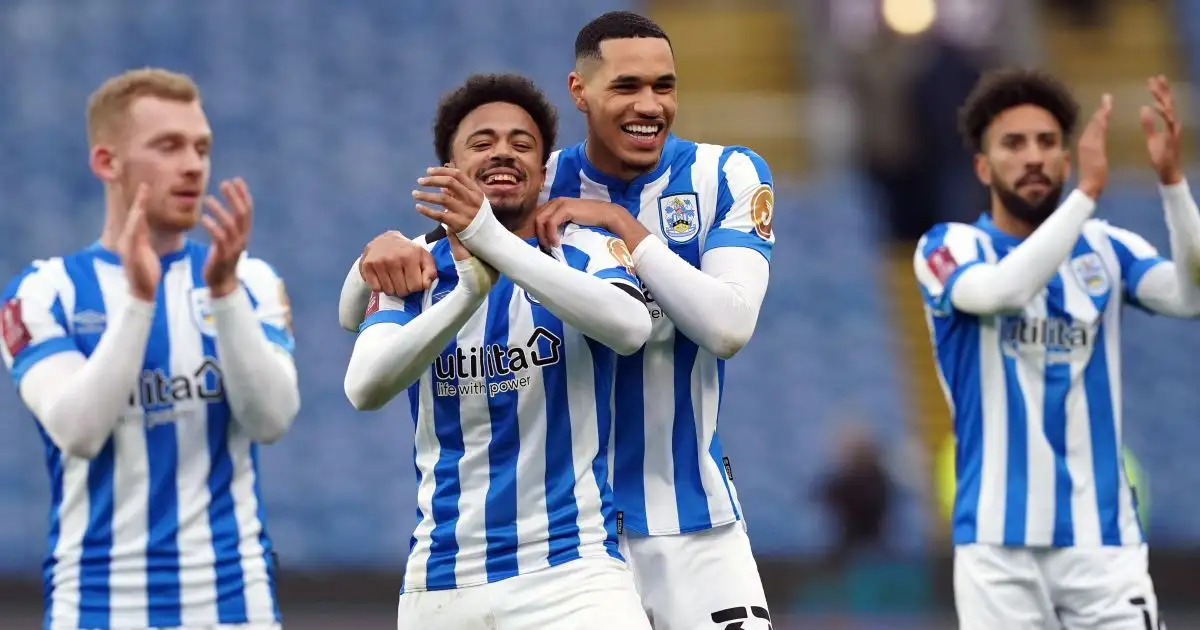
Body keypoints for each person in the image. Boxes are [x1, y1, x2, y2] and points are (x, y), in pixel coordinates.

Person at [338, 12, 776, 630]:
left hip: (687, 514)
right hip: (569, 542)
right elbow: (428, 257)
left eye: (664, 86)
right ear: (581, 93)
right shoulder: (539, 171)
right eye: (626, 87)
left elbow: (729, 329)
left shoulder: (724, 174)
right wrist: (372, 257)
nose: (648, 105)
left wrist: (627, 228)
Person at [342, 73, 653, 629]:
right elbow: (364, 388)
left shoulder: (581, 248)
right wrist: (466, 294)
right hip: (443, 581)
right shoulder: (412, 268)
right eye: (481, 143)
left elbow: (630, 327)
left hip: (574, 576)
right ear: (449, 170)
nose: (503, 151)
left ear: (542, 168)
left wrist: (492, 242)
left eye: (522, 142)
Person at [0, 68, 299, 630]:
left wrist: (226, 295)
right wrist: (139, 302)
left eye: (202, 147)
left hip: (235, 607)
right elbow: (79, 430)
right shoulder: (44, 292)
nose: (193, 164)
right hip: (96, 607)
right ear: (106, 162)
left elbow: (272, 420)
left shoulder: (249, 281)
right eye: (168, 146)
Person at [914, 68, 1200, 629]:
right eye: (1013, 144)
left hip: (1102, 544)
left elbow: (1191, 296)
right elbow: (1001, 292)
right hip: (997, 551)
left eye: (1048, 143)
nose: (1034, 157)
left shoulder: (1106, 248)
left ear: (1067, 159)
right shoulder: (947, 247)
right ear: (982, 165)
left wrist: (1171, 183)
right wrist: (1088, 195)